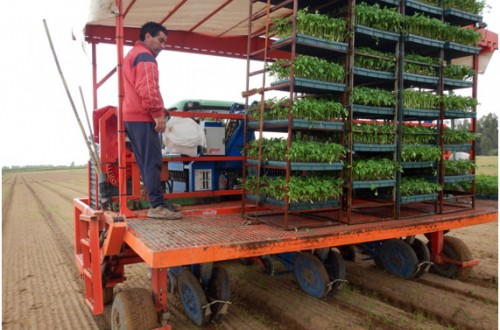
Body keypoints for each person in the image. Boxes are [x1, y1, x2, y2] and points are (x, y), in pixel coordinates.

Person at [123, 22, 181, 220]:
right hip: (142, 116)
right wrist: (157, 113)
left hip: (132, 116)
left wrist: (160, 109)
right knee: (153, 161)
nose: (163, 45)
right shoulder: (145, 57)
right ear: (148, 36)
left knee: (146, 161)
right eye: (160, 40)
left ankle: (158, 202)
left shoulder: (132, 54)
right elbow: (148, 88)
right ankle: (156, 206)